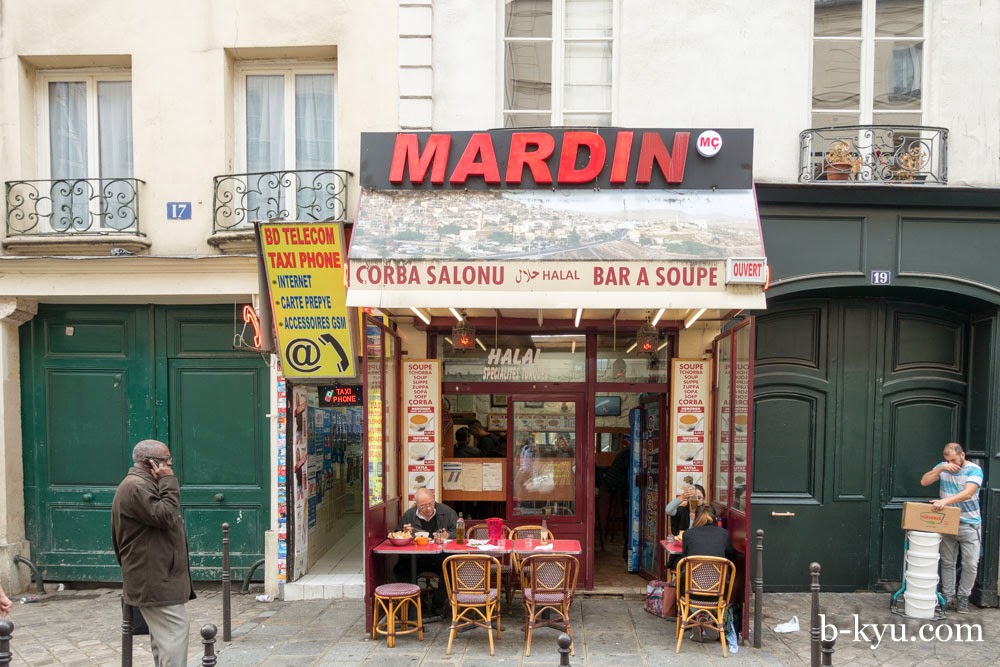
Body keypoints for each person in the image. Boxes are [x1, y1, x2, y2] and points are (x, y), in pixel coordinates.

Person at [111, 439, 196, 667]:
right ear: (151, 463)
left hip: (156, 574)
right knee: (174, 631)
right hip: (152, 576)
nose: (170, 465)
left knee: (164, 635)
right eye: (166, 461)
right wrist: (168, 481)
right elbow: (165, 516)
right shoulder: (136, 486)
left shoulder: (143, 484)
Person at [920, 442, 983, 614]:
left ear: (962, 455)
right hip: (947, 523)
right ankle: (947, 597)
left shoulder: (974, 470)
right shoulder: (944, 467)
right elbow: (924, 481)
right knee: (947, 562)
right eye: (947, 460)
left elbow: (968, 493)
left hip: (969, 523)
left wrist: (944, 502)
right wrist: (941, 469)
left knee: (970, 563)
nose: (951, 464)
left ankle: (963, 597)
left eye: (954, 460)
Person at [394, 488, 458, 614]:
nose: (428, 509)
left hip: (441, 557)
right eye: (423, 506)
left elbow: (458, 531)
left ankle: (438, 604)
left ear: (434, 499)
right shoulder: (410, 515)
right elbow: (398, 533)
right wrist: (405, 532)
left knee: (451, 567)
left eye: (430, 504)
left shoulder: (447, 512)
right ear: (416, 504)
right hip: (417, 558)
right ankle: (416, 604)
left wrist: (448, 535)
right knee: (400, 568)